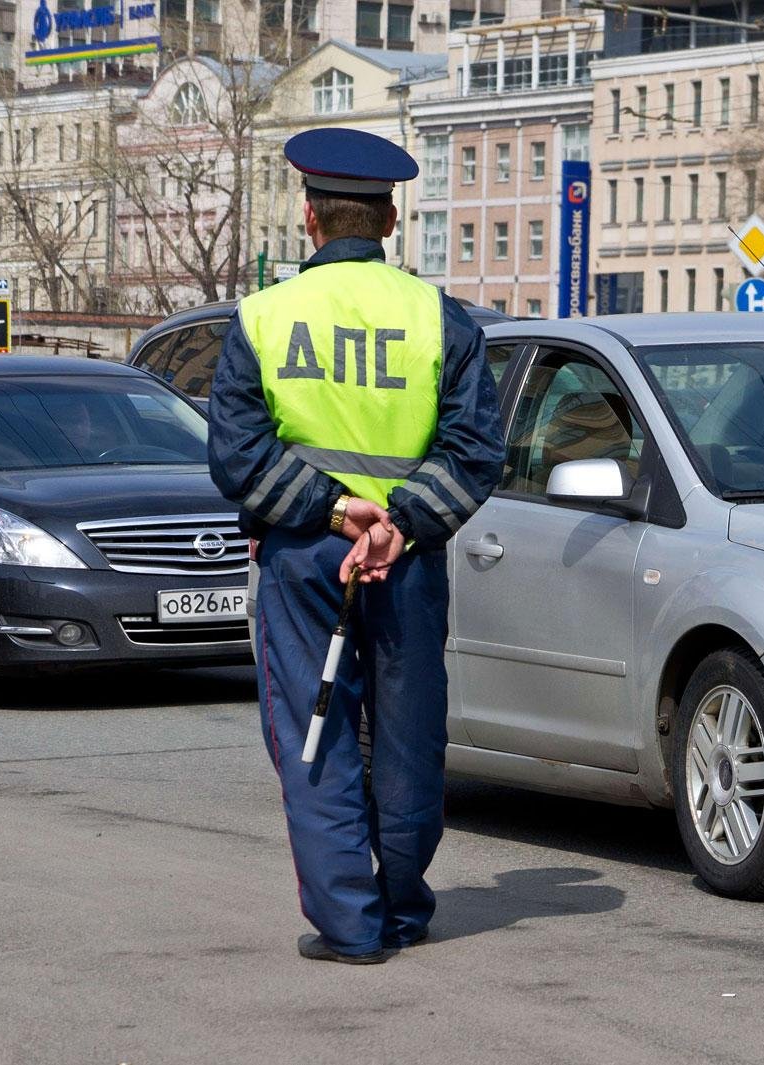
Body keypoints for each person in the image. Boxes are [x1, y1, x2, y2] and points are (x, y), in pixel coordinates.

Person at [207, 128, 504, 965]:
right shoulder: (439, 319)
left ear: (309, 218)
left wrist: (338, 514)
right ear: (391, 217)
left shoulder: (262, 318)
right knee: (408, 732)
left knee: (316, 732)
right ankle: (403, 907)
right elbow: (476, 450)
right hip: (404, 560)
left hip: (306, 557)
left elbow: (238, 458)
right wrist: (396, 521)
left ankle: (350, 923)